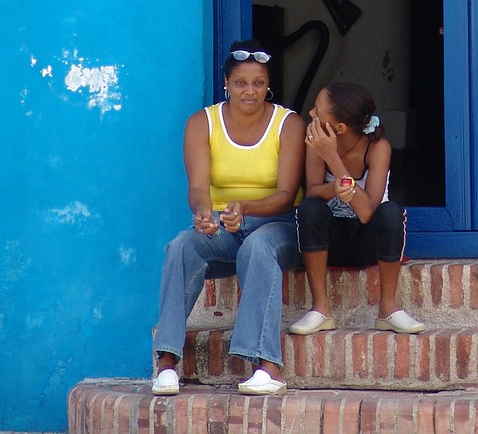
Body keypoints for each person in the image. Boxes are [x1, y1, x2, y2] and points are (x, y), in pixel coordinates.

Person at [152, 40, 306, 396]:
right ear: (226, 83)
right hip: (225, 225)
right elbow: (198, 188)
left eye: (258, 83)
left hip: (277, 225)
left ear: (269, 85)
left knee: (258, 246)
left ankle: (266, 366)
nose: (249, 91)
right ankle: (166, 362)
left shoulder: (289, 123)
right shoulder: (202, 123)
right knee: (183, 245)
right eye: (240, 82)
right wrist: (204, 214)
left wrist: (245, 208)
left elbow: (286, 195)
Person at [290, 82, 425, 335]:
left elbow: (366, 212)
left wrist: (333, 159)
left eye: (318, 112)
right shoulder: (315, 143)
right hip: (332, 243)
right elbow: (313, 191)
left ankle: (388, 309)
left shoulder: (377, 148)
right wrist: (336, 189)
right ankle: (321, 309)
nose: (311, 114)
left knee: (392, 212)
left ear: (339, 128)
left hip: (368, 242)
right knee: (310, 208)